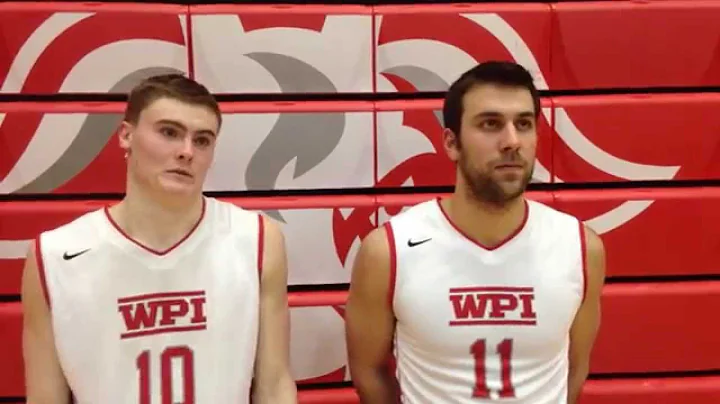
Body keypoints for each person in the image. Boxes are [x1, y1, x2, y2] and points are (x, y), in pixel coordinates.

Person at [21, 74, 297, 404]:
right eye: (169, 132)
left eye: (202, 140)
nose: (186, 151)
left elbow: (274, 383)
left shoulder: (257, 240)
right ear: (126, 135)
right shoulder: (54, 255)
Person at [345, 61, 606, 403]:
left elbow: (574, 370)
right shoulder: (389, 251)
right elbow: (369, 372)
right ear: (452, 143)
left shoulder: (580, 248)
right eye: (491, 124)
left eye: (524, 124)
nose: (512, 141)